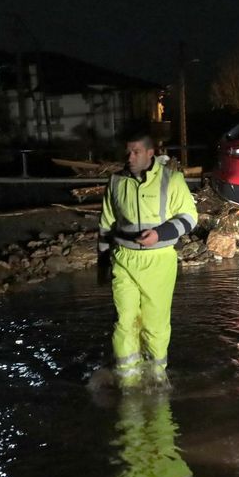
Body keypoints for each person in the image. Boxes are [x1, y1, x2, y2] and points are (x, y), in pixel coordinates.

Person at [98, 129, 198, 389]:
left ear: (150, 153)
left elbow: (189, 217)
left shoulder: (172, 179)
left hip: (159, 261)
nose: (130, 157)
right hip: (123, 259)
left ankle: (155, 378)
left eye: (136, 152)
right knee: (125, 321)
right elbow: (106, 224)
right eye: (128, 152)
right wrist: (102, 264)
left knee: (155, 324)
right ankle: (128, 380)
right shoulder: (116, 181)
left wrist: (160, 233)